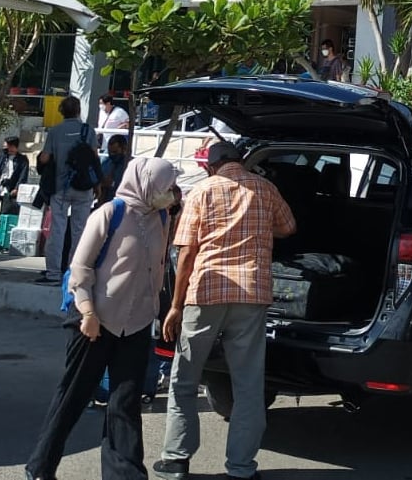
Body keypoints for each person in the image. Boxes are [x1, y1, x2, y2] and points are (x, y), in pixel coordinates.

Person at [24, 156, 179, 480]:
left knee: (125, 403)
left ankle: (126, 473)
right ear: (145, 183)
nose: (169, 193)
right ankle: (40, 467)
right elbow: (80, 268)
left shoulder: (161, 217)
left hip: (135, 324)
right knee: (73, 398)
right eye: (164, 188)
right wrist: (88, 312)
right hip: (93, 322)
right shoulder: (110, 213)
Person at [153, 141, 296, 480]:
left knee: (185, 378)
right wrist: (261, 229)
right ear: (241, 160)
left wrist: (175, 306)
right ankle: (241, 468)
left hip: (205, 292)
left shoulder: (202, 192)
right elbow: (289, 227)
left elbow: (186, 254)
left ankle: (176, 459)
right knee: (248, 384)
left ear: (211, 166)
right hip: (251, 293)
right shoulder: (265, 188)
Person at [36, 96, 100, 286]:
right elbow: (94, 159)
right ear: (79, 110)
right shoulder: (88, 131)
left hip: (61, 187)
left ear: (61, 111)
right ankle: (74, 272)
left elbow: (46, 158)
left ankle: (54, 273)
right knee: (80, 230)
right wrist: (97, 185)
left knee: (57, 229)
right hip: (84, 187)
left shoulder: (55, 131)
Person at [100, 134, 130, 202]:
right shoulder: (106, 163)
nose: (112, 155)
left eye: (115, 152)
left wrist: (112, 183)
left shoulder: (130, 166)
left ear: (124, 149)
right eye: (109, 152)